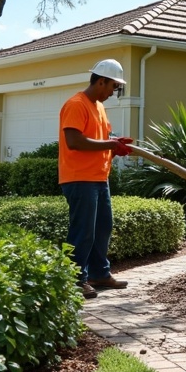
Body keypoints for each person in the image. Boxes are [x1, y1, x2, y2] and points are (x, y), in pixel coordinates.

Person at [58, 59, 134, 299]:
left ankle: (99, 273)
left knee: (102, 228)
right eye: (113, 86)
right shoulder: (76, 104)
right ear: (101, 81)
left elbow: (101, 138)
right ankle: (74, 280)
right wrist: (109, 144)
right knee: (83, 231)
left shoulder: (99, 107)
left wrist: (115, 144)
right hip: (79, 179)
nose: (114, 92)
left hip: (99, 178)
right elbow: (74, 141)